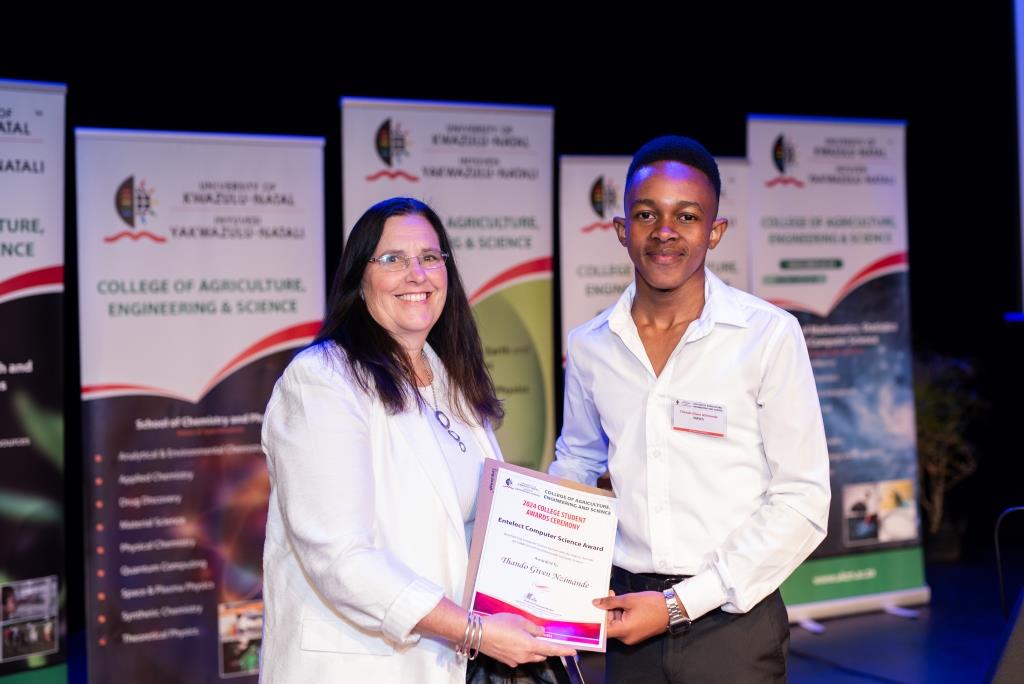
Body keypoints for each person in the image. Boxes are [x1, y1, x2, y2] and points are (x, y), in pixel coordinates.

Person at [550, 136, 831, 682]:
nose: (665, 231)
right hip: (626, 616)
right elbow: (578, 464)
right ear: (621, 229)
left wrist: (680, 604)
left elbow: (803, 499)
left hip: (733, 620)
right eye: (646, 214)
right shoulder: (590, 345)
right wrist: (543, 562)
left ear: (715, 231)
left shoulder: (768, 336)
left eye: (687, 216)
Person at [260, 197, 574, 683]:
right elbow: (340, 558)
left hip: (446, 664)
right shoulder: (322, 379)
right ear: (359, 280)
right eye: (392, 259)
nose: (417, 274)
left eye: (429, 257)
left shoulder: (449, 378)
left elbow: (479, 528)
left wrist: (561, 586)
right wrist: (475, 631)